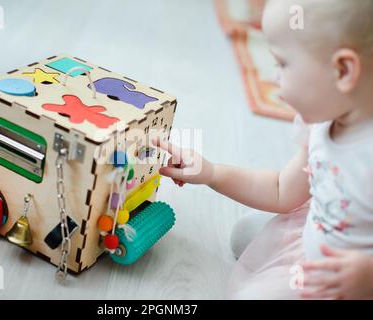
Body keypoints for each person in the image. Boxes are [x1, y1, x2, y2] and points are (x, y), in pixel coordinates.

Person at [153, 0, 373, 299]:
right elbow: (282, 189)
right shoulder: (322, 123)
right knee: (244, 233)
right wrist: (212, 173)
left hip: (340, 282)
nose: (275, 78)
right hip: (318, 233)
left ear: (343, 70)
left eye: (283, 63)